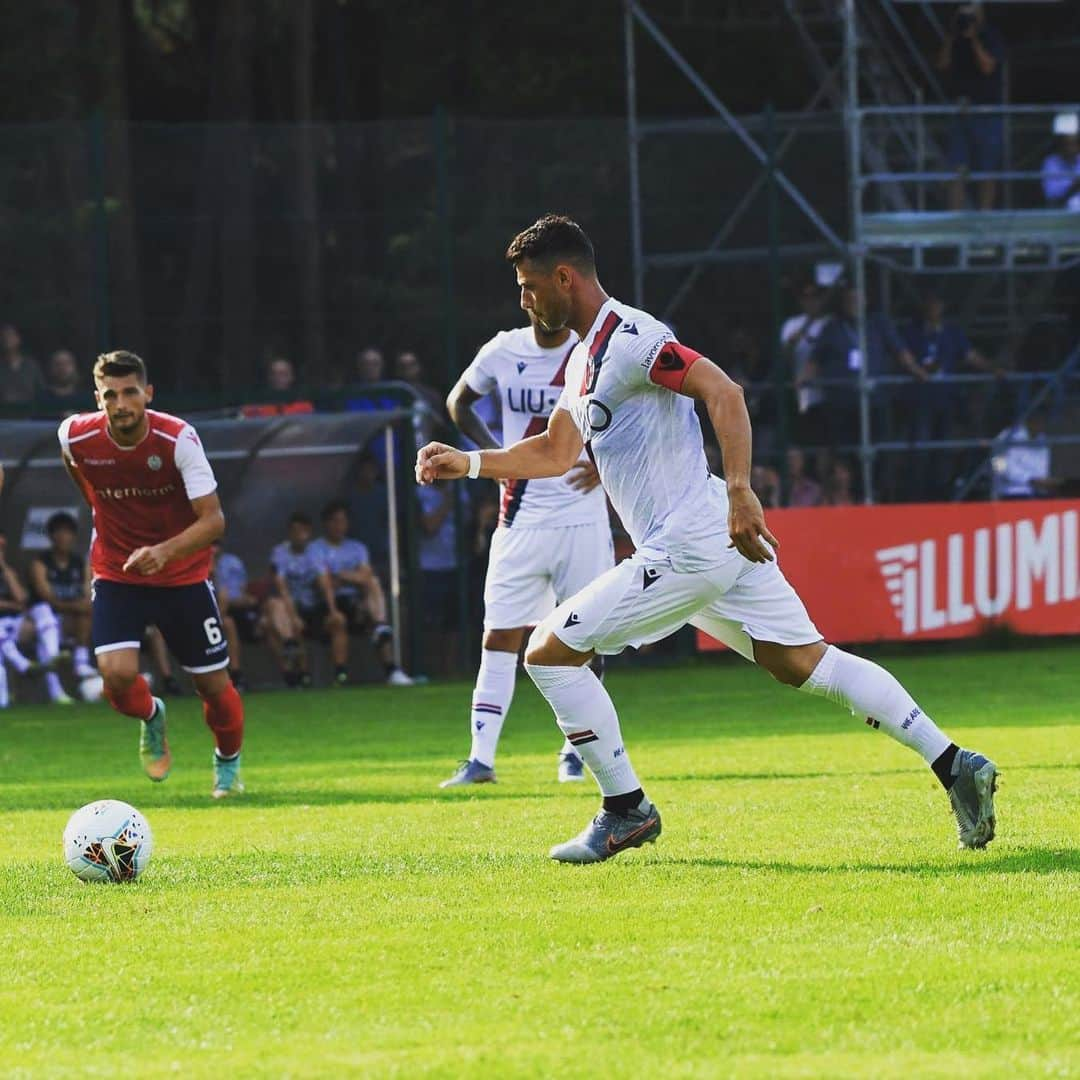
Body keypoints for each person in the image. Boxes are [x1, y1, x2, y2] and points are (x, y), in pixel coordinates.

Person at [416, 214, 998, 863]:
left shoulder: (633, 337)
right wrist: (466, 463)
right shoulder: (583, 360)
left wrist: (742, 489)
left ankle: (625, 809)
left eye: (528, 286)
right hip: (701, 541)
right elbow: (554, 451)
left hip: (692, 539)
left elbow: (723, 391)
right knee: (802, 662)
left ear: (563, 277)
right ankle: (957, 764)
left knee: (548, 652)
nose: (524, 300)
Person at [438, 309, 613, 788]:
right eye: (527, 289)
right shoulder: (503, 349)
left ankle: (575, 753)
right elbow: (459, 402)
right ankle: (480, 760)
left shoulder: (591, 352)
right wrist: (497, 455)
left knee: (586, 638)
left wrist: (604, 461)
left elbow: (629, 412)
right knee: (499, 635)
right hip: (519, 516)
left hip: (582, 514)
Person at [58, 350, 245, 797]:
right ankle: (151, 714)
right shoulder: (73, 437)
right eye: (110, 395)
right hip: (117, 570)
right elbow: (83, 482)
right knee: (116, 675)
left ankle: (228, 763)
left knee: (213, 686)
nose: (121, 404)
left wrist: (165, 551)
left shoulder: (178, 438)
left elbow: (214, 520)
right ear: (97, 398)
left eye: (130, 393)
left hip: (182, 575)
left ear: (148, 394)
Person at [900, 287, 999, 501]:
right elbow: (902, 358)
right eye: (930, 303)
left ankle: (940, 497)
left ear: (943, 307)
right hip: (920, 402)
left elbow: (970, 355)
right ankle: (917, 498)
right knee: (920, 451)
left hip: (946, 401)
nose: (934, 307)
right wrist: (919, 369)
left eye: (938, 303)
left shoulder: (952, 331)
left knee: (942, 451)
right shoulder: (911, 331)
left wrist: (993, 368)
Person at [308, 500, 412, 687]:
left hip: (354, 600)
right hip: (327, 604)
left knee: (373, 586)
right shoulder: (316, 548)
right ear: (327, 523)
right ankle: (341, 675)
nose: (340, 526)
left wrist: (340, 575)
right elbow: (323, 582)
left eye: (343, 521)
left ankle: (391, 668)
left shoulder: (357, 547)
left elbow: (366, 576)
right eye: (336, 521)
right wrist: (333, 610)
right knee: (338, 621)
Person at [936, 3, 1006, 211]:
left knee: (987, 170)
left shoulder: (991, 35)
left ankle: (985, 219)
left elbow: (988, 67)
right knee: (957, 169)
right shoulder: (954, 37)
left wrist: (974, 37)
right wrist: (951, 34)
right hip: (960, 110)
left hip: (986, 111)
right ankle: (954, 220)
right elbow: (941, 65)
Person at [27, 511, 98, 692]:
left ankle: (81, 662)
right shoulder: (41, 562)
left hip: (71, 619)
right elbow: (46, 597)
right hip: (44, 618)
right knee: (55, 618)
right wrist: (76, 606)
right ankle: (54, 687)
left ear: (73, 536)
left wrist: (83, 605)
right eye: (58, 532)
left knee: (88, 611)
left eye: (67, 532)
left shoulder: (78, 562)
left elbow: (87, 591)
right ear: (51, 536)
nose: (63, 537)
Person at [266, 511, 336, 688]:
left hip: (311, 606)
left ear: (309, 532)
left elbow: (325, 583)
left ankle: (336, 675)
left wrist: (333, 611)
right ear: (289, 533)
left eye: (303, 531)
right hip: (287, 607)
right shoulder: (279, 552)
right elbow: (281, 588)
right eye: (295, 531)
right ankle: (290, 652)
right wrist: (294, 616)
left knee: (336, 621)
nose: (299, 535)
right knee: (274, 609)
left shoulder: (316, 552)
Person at [0, 535, 62, 707]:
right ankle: (23, 665)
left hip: (14, 626)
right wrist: (11, 605)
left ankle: (51, 657)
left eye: (1, 548)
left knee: (42, 610)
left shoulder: (7, 571)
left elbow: (21, 598)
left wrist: (4, 568)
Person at [782, 279, 829, 447]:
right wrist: (794, 340)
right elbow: (783, 358)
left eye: (815, 297)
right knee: (804, 439)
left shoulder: (829, 323)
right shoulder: (792, 324)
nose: (811, 302)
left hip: (827, 392)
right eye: (807, 297)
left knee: (825, 442)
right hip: (801, 392)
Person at [211, 542, 260, 692]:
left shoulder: (232, 563)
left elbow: (240, 596)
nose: (214, 548)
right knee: (225, 622)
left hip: (231, 612)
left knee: (228, 622)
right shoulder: (192, 562)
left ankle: (236, 674)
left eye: (216, 543)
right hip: (200, 614)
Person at [991, 410, 1061, 499]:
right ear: (1029, 420)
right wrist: (1029, 479)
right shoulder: (1007, 435)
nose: (1042, 425)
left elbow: (1043, 471)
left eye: (1044, 422)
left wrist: (1045, 482)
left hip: (1038, 494)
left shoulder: (1043, 440)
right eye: (1038, 421)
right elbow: (997, 463)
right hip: (1011, 493)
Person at [241, 355, 314, 418]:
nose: (277, 378)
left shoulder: (304, 405)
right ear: (269, 377)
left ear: (291, 377)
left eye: (283, 374)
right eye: (274, 374)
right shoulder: (255, 405)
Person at [35, 350, 87, 418]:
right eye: (58, 364)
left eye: (67, 364)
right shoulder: (41, 399)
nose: (62, 368)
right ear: (50, 368)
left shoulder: (85, 398)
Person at [0, 324, 43, 407]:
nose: (6, 339)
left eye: (10, 335)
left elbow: (40, 392)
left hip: (28, 415)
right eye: (3, 336)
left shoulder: (31, 366)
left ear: (18, 339)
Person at [1041, 121, 1080, 211]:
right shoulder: (1051, 163)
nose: (1070, 148)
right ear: (1060, 146)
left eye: (1074, 144)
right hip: (1061, 210)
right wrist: (1074, 186)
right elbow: (1052, 196)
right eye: (1067, 144)